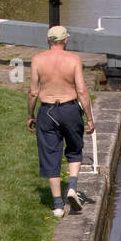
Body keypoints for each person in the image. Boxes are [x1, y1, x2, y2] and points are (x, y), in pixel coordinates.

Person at [27, 26, 95, 218]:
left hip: (47, 110)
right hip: (70, 108)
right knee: (74, 149)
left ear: (48, 41)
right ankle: (72, 187)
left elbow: (33, 92)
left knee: (50, 155)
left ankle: (57, 205)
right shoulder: (73, 60)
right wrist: (89, 117)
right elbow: (82, 90)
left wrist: (30, 114)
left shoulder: (37, 60)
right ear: (66, 41)